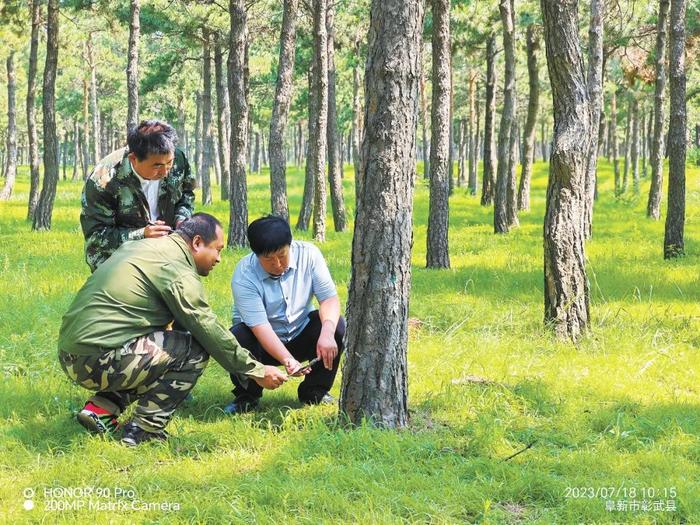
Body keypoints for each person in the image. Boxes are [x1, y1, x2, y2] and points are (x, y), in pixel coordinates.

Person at [58, 213, 288, 446]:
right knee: (194, 349)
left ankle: (102, 408)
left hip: (71, 354)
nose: (219, 259)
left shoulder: (145, 247)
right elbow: (206, 327)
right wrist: (255, 370)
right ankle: (145, 429)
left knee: (163, 348)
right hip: (99, 359)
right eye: (218, 249)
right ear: (197, 243)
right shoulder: (176, 267)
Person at [224, 215, 345, 414]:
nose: (277, 264)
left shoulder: (310, 254)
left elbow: (329, 299)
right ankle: (247, 395)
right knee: (238, 336)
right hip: (261, 343)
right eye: (268, 259)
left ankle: (314, 391)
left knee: (337, 326)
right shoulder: (244, 274)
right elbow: (260, 327)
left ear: (291, 244)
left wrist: (327, 332)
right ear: (256, 255)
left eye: (282, 255)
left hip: (300, 332)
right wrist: (288, 360)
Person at [80, 119, 195, 272]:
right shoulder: (103, 179)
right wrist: (142, 235)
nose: (165, 171)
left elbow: (187, 194)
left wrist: (181, 218)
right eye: (157, 166)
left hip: (166, 252)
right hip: (117, 261)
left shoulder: (178, 159)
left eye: (169, 163)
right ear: (133, 159)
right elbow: (97, 238)